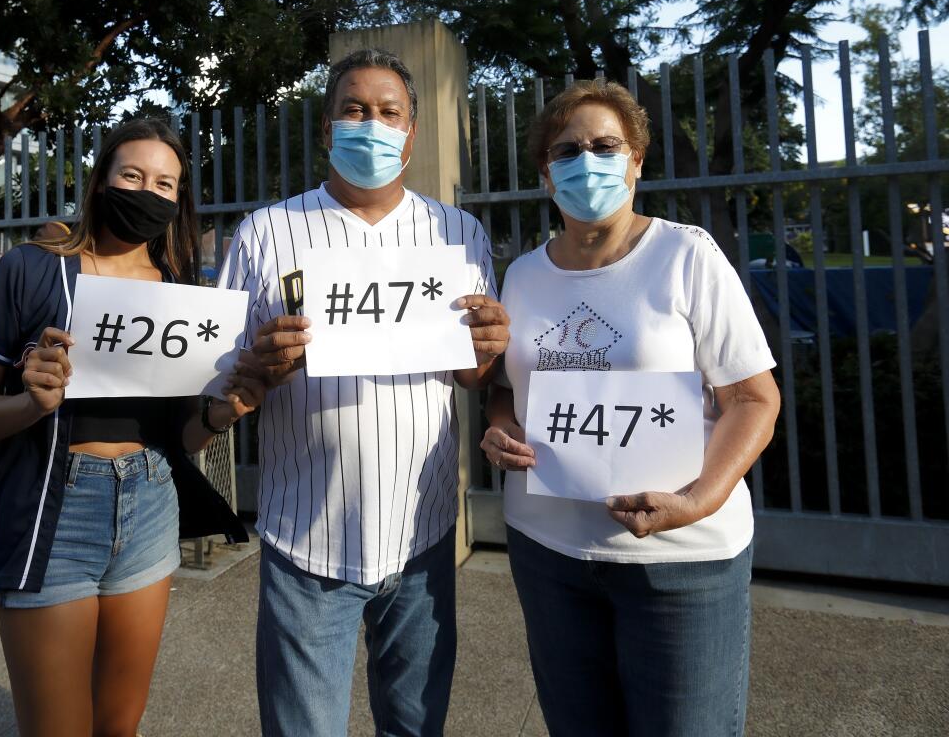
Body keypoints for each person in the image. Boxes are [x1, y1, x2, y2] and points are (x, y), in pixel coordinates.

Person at [217, 48, 510, 737]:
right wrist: (258, 365)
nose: (370, 125)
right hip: (305, 536)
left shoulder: (457, 233)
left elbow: (471, 373)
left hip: (423, 533)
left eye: (388, 112)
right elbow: (224, 371)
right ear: (326, 130)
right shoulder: (266, 231)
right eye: (353, 109)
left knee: (414, 726)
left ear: (411, 133)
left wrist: (489, 351)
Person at [482, 79, 780, 737]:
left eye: (605, 145)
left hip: (681, 563)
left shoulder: (686, 255)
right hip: (548, 552)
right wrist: (499, 428)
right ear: (545, 172)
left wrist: (700, 498)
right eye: (567, 150)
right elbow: (509, 385)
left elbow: (753, 397)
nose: (586, 161)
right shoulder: (524, 274)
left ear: (636, 161)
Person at [0, 118, 259, 737]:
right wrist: (31, 405)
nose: (148, 191)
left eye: (166, 184)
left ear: (178, 202)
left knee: (119, 725)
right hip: (53, 508)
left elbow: (183, 437)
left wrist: (223, 412)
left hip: (150, 506)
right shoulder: (30, 269)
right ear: (101, 181)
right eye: (133, 175)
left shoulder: (179, 293)